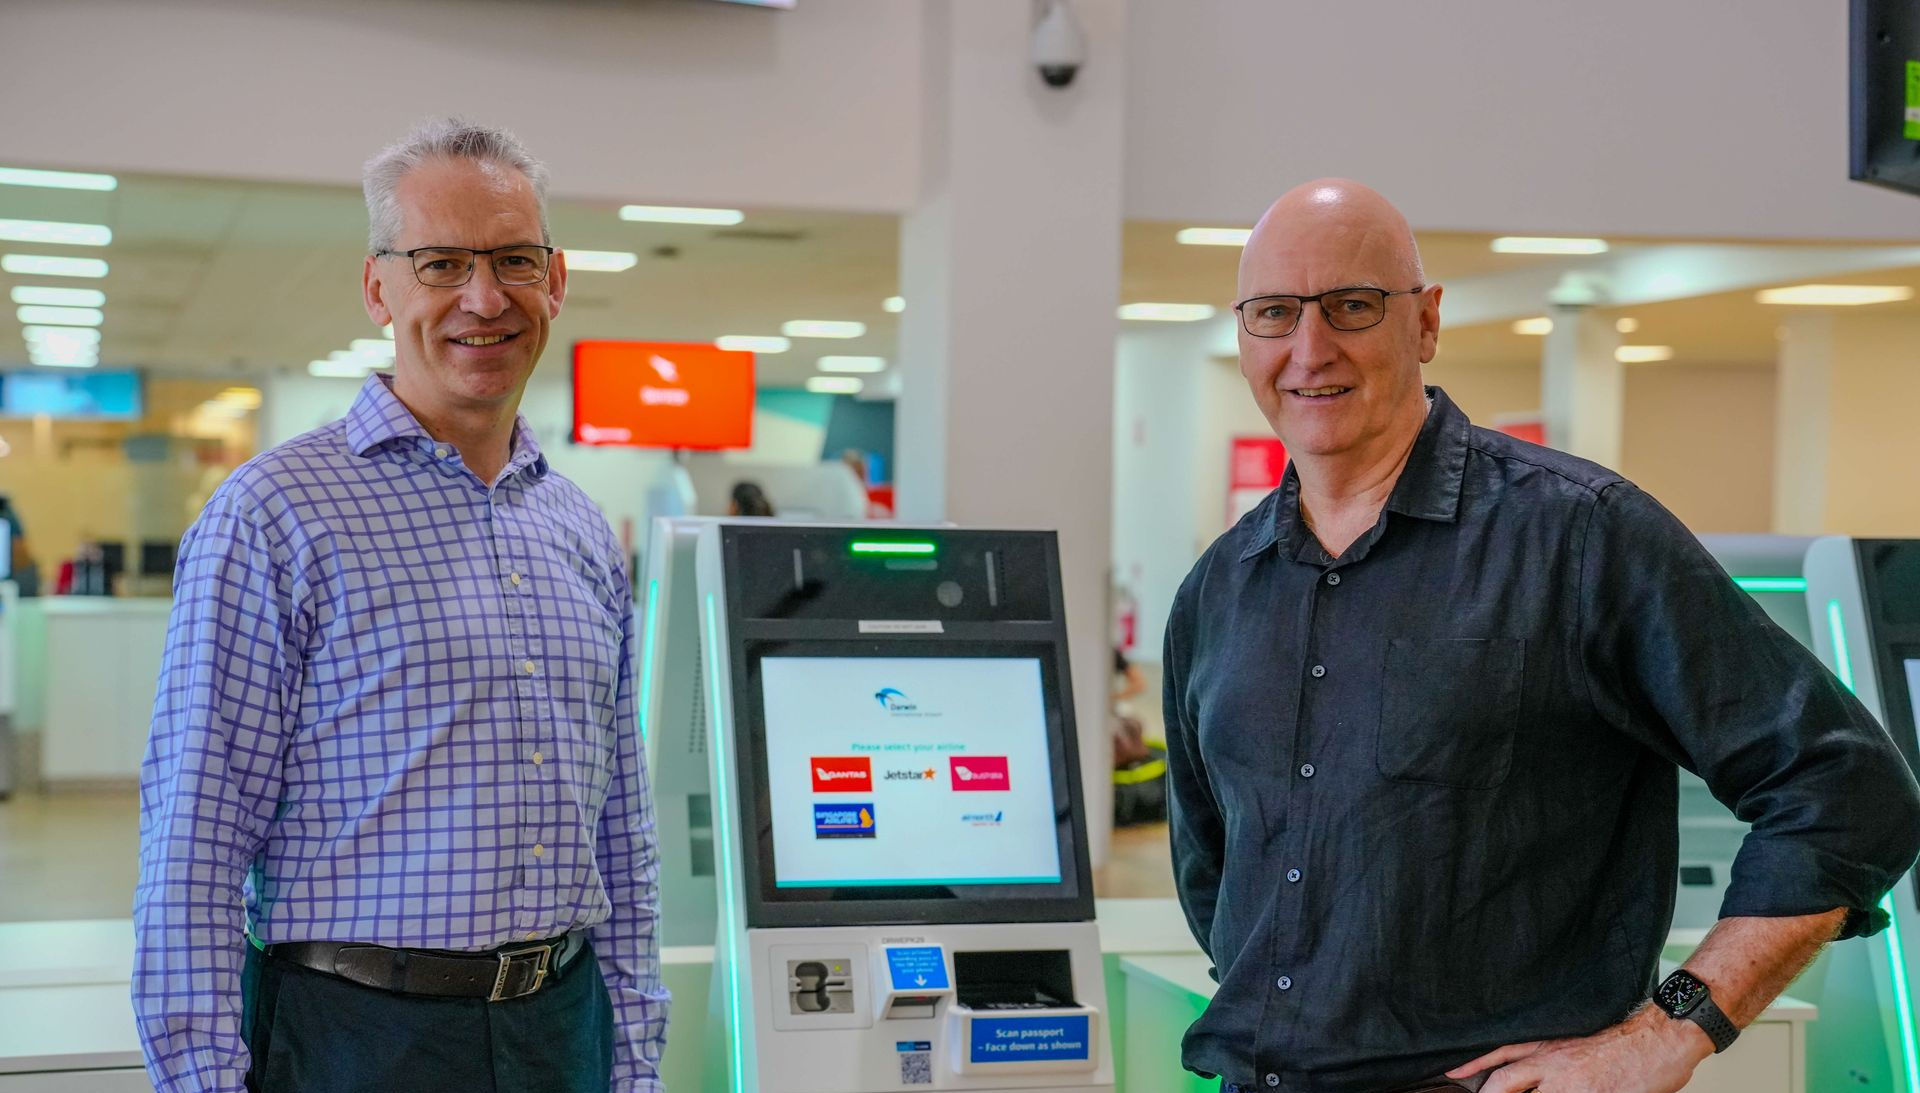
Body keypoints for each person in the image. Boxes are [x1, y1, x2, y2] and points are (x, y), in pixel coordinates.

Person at [1161, 179, 1920, 1093]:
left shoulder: (1582, 538)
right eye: (1274, 313)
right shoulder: (1219, 589)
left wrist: (1670, 1029)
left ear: (1426, 322)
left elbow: (1847, 788)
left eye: (1353, 307)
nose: (1309, 349)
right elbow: (1217, 877)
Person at [133, 118, 669, 1093]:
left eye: (513, 260)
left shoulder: (583, 532)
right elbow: (196, 842)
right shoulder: (276, 515)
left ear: (555, 280)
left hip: (564, 1030)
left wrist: (632, 1060)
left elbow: (621, 836)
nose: (483, 297)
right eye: (442, 262)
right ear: (379, 287)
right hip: (354, 1039)